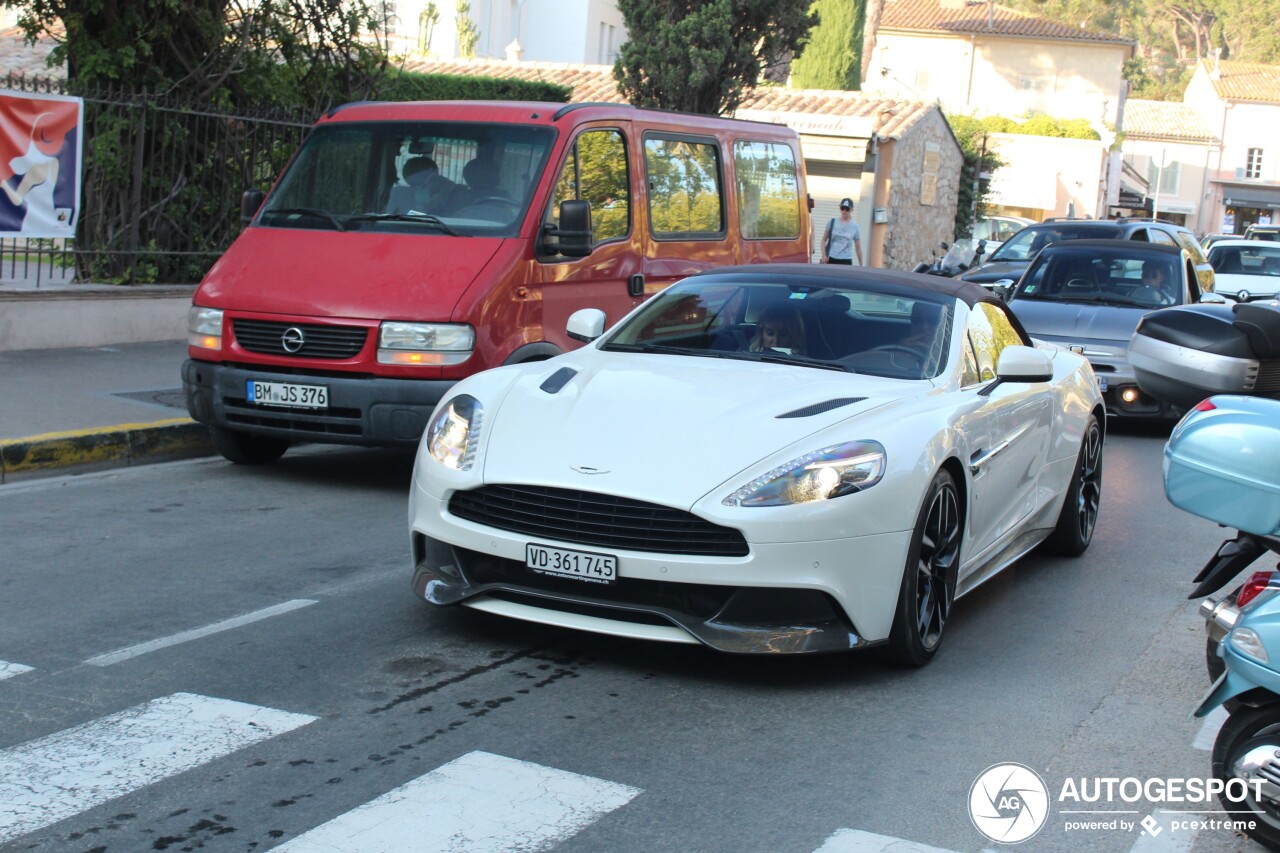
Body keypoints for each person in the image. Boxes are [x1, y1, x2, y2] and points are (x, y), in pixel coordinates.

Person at [821, 198, 863, 265]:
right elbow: (823, 240)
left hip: (846, 259)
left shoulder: (855, 226)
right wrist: (824, 256)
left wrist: (861, 264)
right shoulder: (832, 222)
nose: (844, 211)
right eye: (842, 208)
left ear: (852, 210)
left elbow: (858, 248)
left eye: (847, 209)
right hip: (831, 258)